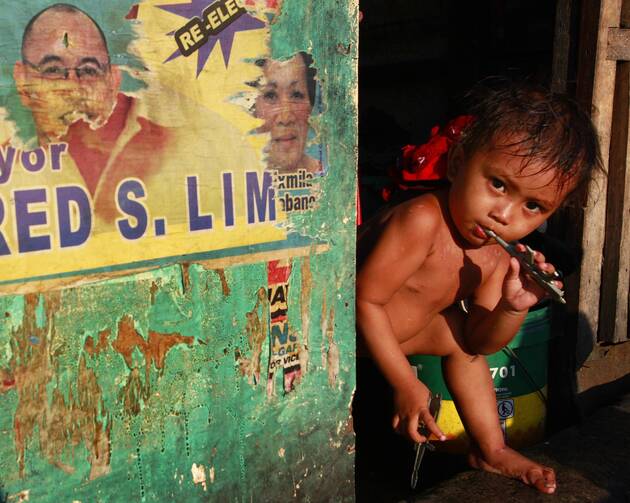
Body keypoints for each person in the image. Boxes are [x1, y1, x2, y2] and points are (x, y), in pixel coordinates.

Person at [356, 82, 602, 494]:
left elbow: (480, 343)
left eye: (533, 207)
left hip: (399, 333)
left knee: (461, 346)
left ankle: (491, 449)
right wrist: (406, 382)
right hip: (342, 333)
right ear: (457, 164)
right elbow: (366, 299)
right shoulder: (421, 220)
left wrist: (512, 307)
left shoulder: (494, 257)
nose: (504, 215)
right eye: (499, 184)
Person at [253, 52, 322, 174]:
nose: (285, 118)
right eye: (270, 95)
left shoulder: (329, 178)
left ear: (310, 106)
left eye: (296, 94)